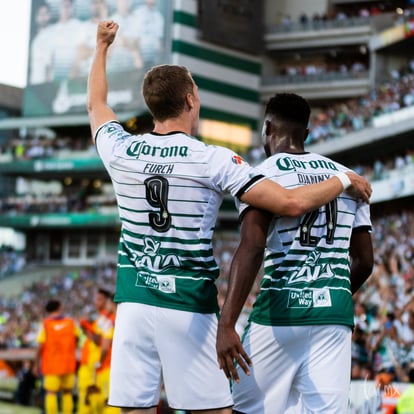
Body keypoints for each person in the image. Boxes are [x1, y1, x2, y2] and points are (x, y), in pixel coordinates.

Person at [87, 21, 371, 414]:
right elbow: (289, 203)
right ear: (189, 100)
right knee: (216, 410)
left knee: (135, 409)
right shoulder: (213, 158)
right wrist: (341, 179)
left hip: (133, 301)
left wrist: (101, 48)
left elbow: (96, 106)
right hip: (188, 304)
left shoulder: (120, 150)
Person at [216, 92, 374, 414]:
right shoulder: (349, 180)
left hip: (279, 313)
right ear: (307, 133)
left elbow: (253, 246)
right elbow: (365, 261)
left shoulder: (262, 176)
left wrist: (227, 323)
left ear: (268, 128)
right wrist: (329, 295)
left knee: (248, 408)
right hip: (334, 315)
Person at [34, 299, 80, 414]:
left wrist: (36, 364)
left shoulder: (45, 324)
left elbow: (39, 346)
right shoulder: (71, 322)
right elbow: (77, 338)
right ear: (59, 307)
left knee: (51, 393)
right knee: (67, 392)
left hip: (51, 365)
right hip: (68, 363)